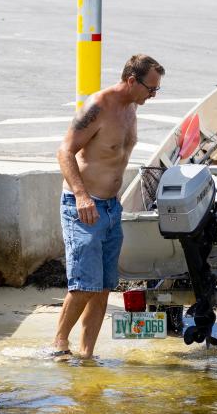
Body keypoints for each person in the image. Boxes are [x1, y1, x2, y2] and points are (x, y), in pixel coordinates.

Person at [51, 54, 165, 360]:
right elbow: (65, 151)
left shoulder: (131, 109)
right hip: (84, 208)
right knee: (84, 285)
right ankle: (58, 346)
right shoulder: (98, 106)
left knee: (102, 287)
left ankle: (87, 354)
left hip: (112, 209)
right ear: (131, 81)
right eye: (150, 89)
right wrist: (81, 195)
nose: (152, 95)